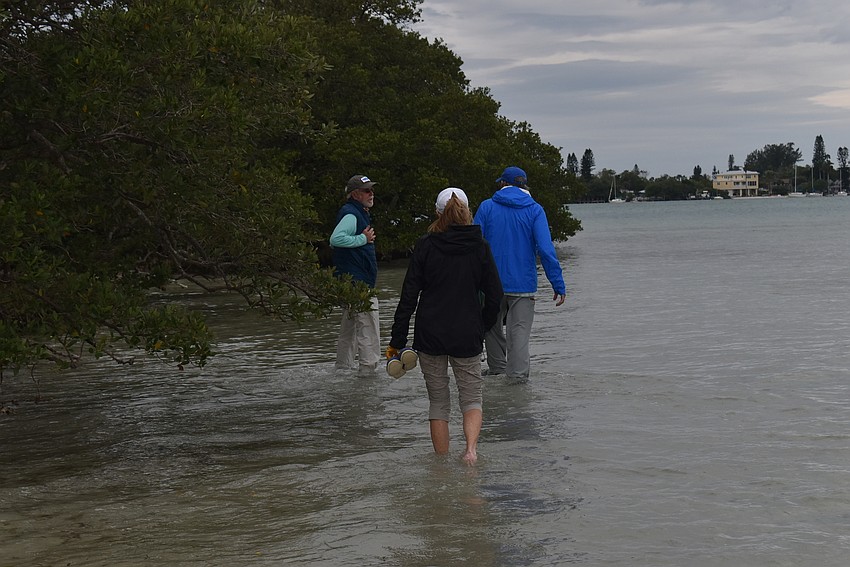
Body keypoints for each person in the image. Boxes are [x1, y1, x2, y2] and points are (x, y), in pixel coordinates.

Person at [388, 188, 503, 464]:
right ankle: (471, 452)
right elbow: (496, 296)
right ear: (467, 212)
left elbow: (408, 296)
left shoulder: (426, 245)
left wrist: (397, 341)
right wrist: (482, 327)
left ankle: (440, 465)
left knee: (438, 402)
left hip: (431, 334)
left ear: (438, 214)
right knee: (472, 398)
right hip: (467, 333)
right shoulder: (480, 246)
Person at [473, 166, 566, 381]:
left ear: (502, 184)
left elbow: (474, 245)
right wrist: (557, 282)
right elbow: (545, 248)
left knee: (491, 327)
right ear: (524, 185)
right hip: (523, 283)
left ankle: (496, 369)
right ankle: (517, 379)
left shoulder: (486, 207)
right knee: (520, 331)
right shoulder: (535, 209)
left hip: (489, 283)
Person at [330, 174, 380, 376]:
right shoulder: (351, 214)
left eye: (371, 190)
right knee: (369, 326)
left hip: (351, 282)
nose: (371, 194)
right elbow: (336, 239)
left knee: (349, 329)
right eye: (367, 190)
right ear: (355, 194)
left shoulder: (356, 213)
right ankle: (369, 372)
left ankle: (342, 369)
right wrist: (362, 238)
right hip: (358, 284)